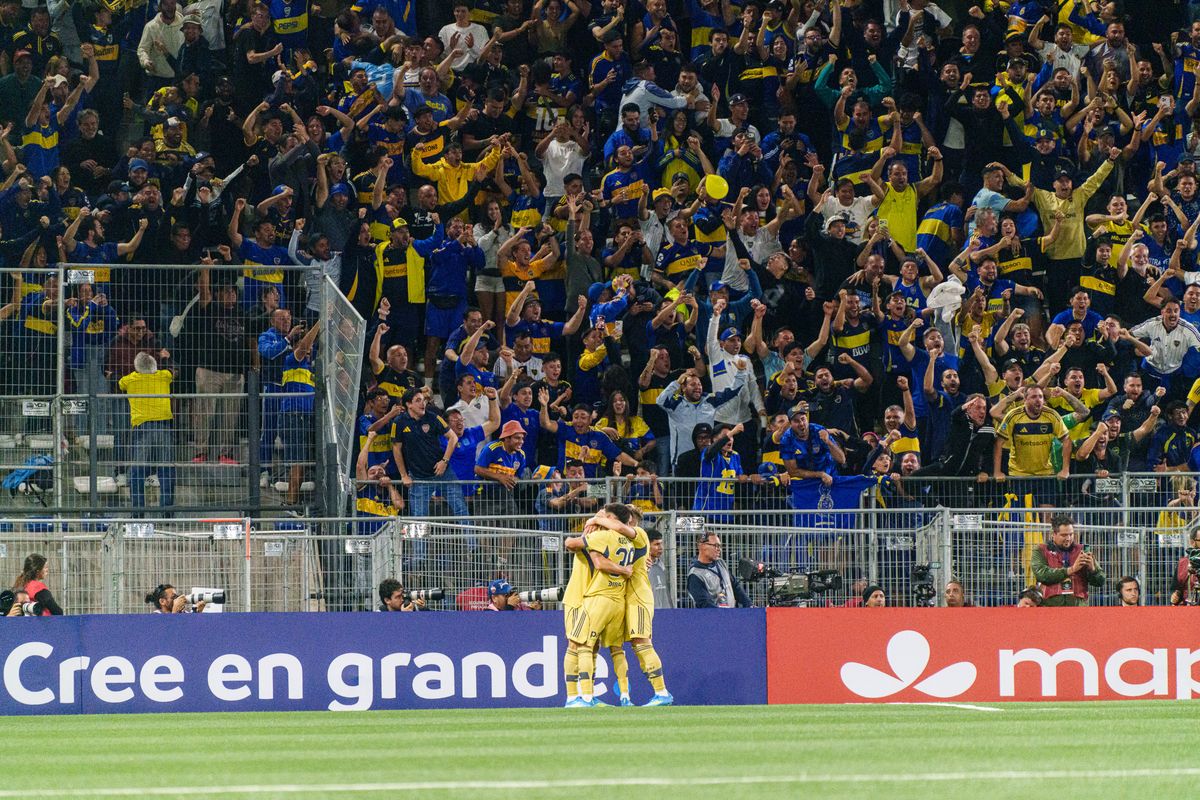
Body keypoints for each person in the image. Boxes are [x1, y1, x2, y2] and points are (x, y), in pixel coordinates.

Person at [562, 504, 635, 707]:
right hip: (578, 596)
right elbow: (570, 543)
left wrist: (591, 522)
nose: (599, 518)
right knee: (575, 645)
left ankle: (588, 695)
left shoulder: (601, 536)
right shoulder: (598, 536)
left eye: (602, 515)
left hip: (595, 598)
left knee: (590, 647)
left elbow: (573, 544)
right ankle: (572, 696)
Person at [117, 352, 176, 511]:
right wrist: (166, 358)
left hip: (142, 427)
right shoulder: (164, 376)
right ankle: (167, 513)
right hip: (164, 426)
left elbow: (119, 383)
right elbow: (174, 370)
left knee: (138, 471)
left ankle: (137, 513)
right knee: (166, 470)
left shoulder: (130, 379)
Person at [1031, 514, 1106, 607]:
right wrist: (1071, 570)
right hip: (1049, 607)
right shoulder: (1040, 550)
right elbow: (1042, 574)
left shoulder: (1083, 551)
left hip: (1079, 607)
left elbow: (1100, 582)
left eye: (1071, 534)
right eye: (1064, 535)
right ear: (1053, 534)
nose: (1068, 538)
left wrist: (1093, 570)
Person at [687, 531, 750, 608]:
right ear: (702, 546)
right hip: (714, 618)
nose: (719, 549)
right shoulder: (695, 574)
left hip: (731, 614)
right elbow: (704, 604)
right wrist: (722, 616)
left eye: (719, 546)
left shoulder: (720, 562)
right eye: (715, 545)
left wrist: (749, 604)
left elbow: (735, 585)